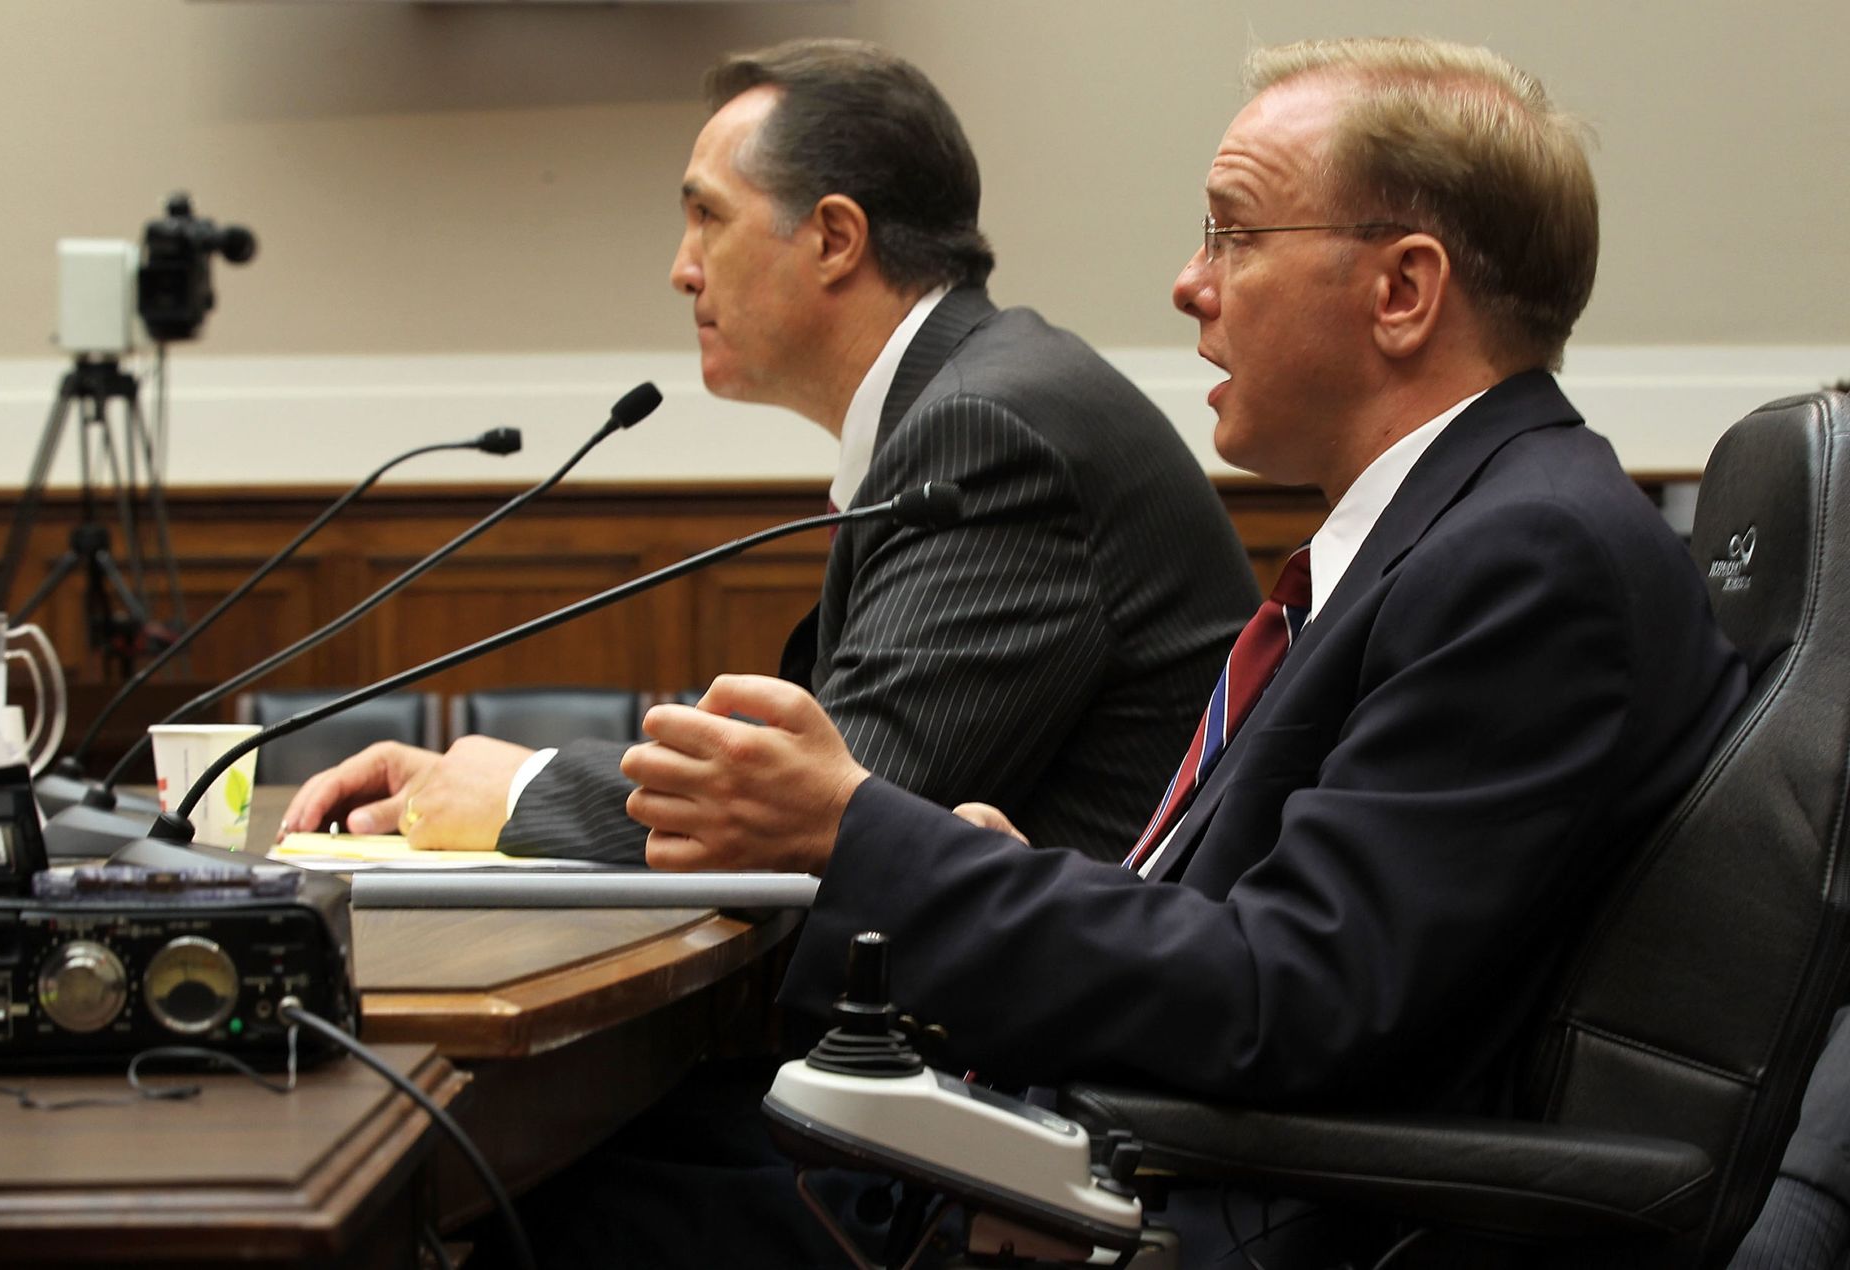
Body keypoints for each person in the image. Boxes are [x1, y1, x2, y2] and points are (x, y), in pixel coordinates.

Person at [621, 35, 1750, 1263]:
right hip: (1153, 1157)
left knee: (578, 1199)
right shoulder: (1450, 530)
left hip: (1232, 1215)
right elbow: (1251, 929)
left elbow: (1286, 998)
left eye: (1233, 235)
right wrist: (961, 857)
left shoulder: (1528, 557)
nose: (1187, 283)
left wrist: (858, 833)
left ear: (1404, 292)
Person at [279, 38, 1255, 865]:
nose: (681, 267)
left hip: (1059, 1068)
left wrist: (521, 790)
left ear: (834, 238)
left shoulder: (994, 430)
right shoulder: (973, 399)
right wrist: (466, 780)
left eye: (708, 215)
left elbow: (827, 800)